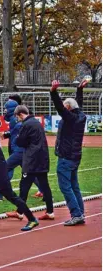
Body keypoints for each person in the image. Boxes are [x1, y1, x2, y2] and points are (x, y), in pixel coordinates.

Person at [0, 99, 43, 201]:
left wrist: (8, 134)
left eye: (6, 109)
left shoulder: (14, 119)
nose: (5, 111)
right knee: (29, 173)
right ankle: (44, 191)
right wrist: (7, 134)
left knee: (4, 169)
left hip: (18, 151)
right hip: (21, 151)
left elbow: (19, 131)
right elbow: (16, 131)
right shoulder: (16, 119)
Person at [6, 105, 54, 221]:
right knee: (44, 185)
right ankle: (50, 211)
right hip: (42, 159)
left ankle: (20, 212)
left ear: (20, 114)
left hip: (32, 160)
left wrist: (20, 139)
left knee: (24, 186)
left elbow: (20, 142)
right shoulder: (36, 122)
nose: (17, 119)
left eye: (17, 117)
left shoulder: (26, 125)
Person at [50, 79, 88, 226]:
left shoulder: (70, 118)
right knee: (74, 186)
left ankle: (76, 214)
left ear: (68, 108)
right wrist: (79, 89)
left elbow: (60, 107)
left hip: (66, 158)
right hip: (75, 157)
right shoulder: (80, 116)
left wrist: (53, 91)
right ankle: (80, 213)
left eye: (66, 107)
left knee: (65, 187)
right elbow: (78, 103)